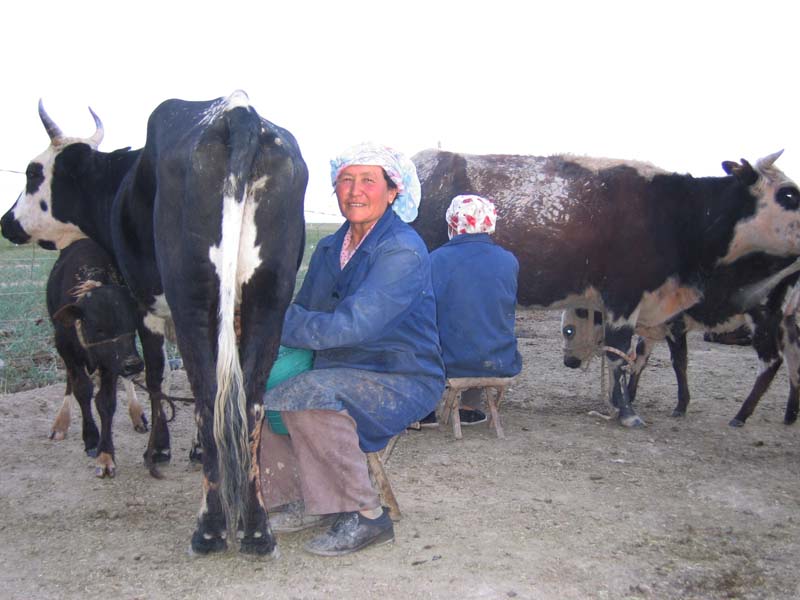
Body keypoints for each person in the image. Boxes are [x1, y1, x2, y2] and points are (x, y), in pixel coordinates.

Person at [257, 142, 445, 556]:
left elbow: (354, 325)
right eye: (346, 180)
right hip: (339, 368)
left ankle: (365, 515)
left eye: (368, 181)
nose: (354, 190)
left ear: (394, 191)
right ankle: (295, 499)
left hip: (401, 375)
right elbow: (306, 310)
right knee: (259, 390)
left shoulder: (401, 250)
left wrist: (269, 320)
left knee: (308, 394)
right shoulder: (331, 247)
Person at [420, 194, 522, 427]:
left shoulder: (435, 260)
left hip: (451, 362)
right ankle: (469, 407)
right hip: (500, 360)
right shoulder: (509, 260)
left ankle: (424, 410)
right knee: (480, 329)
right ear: (490, 223)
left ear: (452, 223)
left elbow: (424, 313)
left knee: (421, 336)